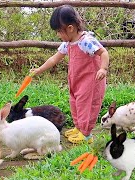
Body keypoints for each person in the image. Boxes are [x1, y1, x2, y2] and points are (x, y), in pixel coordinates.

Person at [31, 5, 109, 144]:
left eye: (59, 31)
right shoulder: (68, 43)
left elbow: (103, 52)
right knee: (75, 104)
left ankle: (86, 134)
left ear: (70, 28)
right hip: (76, 81)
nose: (58, 35)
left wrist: (103, 69)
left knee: (85, 106)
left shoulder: (86, 41)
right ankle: (79, 128)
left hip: (91, 81)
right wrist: (39, 70)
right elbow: (54, 58)